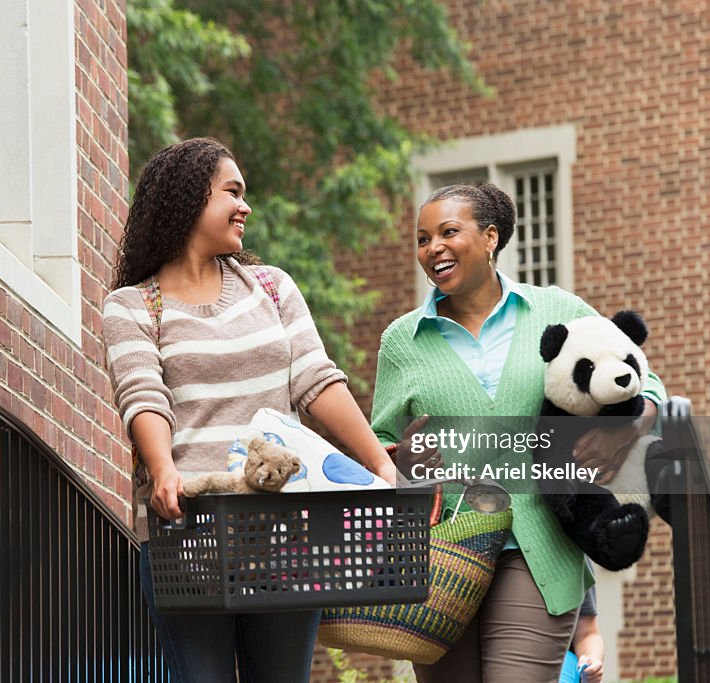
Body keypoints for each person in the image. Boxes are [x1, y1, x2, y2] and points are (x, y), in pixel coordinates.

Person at [101, 137, 397, 683]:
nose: (246, 206)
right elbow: (143, 396)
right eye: (232, 192)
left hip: (285, 533)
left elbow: (316, 380)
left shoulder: (271, 287)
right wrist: (163, 470)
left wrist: (379, 463)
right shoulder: (132, 307)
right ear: (191, 200)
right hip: (187, 535)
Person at [373, 183, 665, 681]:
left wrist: (627, 429)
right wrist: (404, 460)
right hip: (445, 555)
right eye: (422, 239)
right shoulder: (403, 340)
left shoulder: (557, 311)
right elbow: (382, 441)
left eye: (448, 232)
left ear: (490, 238)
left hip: (539, 546)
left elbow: (646, 381)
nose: (432, 248)